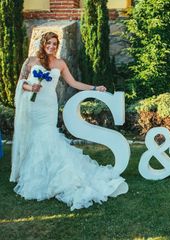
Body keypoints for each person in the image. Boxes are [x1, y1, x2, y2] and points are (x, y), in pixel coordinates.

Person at [11, 32, 128, 210]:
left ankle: (55, 176)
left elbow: (73, 83)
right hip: (32, 106)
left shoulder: (60, 63)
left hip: (48, 106)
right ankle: (41, 174)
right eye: (48, 43)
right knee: (35, 137)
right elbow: (21, 83)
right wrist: (31, 87)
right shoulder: (31, 61)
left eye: (54, 44)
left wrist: (95, 87)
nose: (51, 46)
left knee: (47, 135)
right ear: (43, 44)